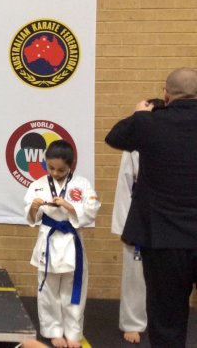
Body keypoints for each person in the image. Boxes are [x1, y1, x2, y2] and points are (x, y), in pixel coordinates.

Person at [105, 67, 197, 347]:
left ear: (166, 94)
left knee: (167, 321)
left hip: (163, 240)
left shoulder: (150, 123)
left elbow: (114, 137)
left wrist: (141, 114)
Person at [24, 140, 101, 348]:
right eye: (50, 168)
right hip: (48, 241)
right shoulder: (38, 185)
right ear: (45, 163)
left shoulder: (82, 184)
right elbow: (31, 218)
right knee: (48, 290)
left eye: (61, 169)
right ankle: (53, 330)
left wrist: (69, 206)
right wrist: (34, 207)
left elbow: (92, 209)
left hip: (72, 241)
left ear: (71, 165)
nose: (55, 173)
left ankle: (73, 332)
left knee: (74, 288)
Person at [110, 98, 165, 344]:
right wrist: (125, 225)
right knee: (135, 273)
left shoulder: (176, 139)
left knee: (168, 275)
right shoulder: (134, 145)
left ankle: (161, 319)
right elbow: (125, 184)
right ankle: (133, 322)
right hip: (140, 213)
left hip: (170, 214)